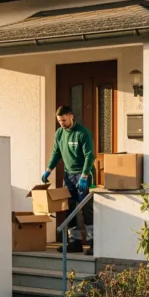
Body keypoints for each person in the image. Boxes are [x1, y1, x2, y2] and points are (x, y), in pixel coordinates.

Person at [41, 106, 96, 256]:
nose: (62, 124)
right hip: (68, 175)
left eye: (64, 120)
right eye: (59, 121)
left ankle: (93, 243)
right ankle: (75, 242)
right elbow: (56, 152)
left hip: (84, 175)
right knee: (69, 207)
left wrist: (84, 176)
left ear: (71, 116)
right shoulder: (59, 133)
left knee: (87, 208)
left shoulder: (82, 133)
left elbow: (89, 156)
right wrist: (48, 169)